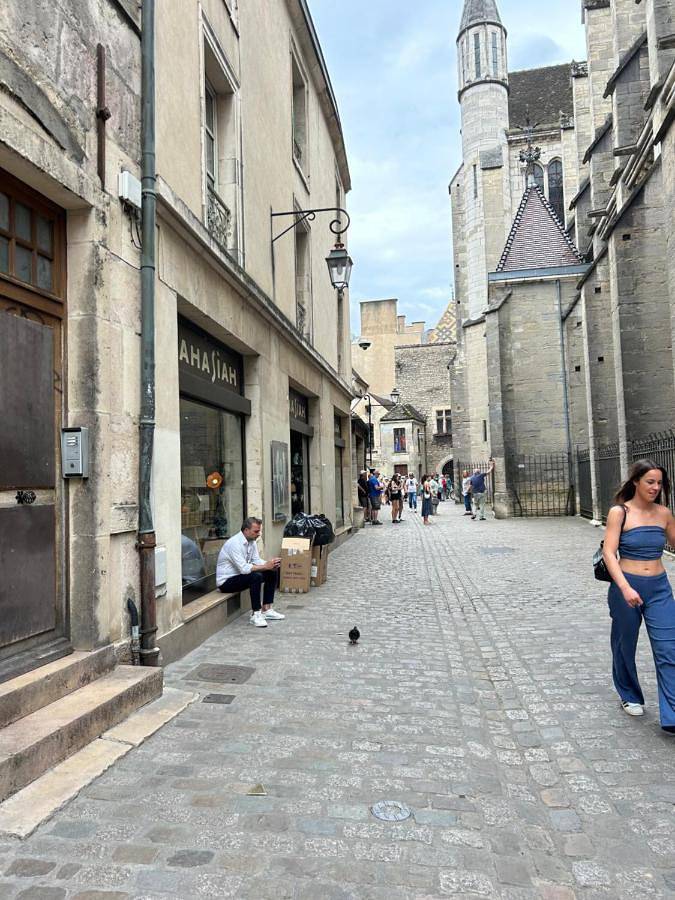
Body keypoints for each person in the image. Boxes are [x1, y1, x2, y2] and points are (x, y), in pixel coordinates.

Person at [603, 460, 675, 732]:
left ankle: (672, 714)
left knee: (669, 646)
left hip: (659, 588)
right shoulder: (619, 512)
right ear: (636, 482)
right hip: (627, 584)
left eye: (659, 483)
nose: (655, 487)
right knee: (624, 643)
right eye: (650, 482)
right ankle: (629, 695)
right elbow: (610, 553)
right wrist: (624, 588)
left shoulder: (664, 514)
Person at [216, 517, 284, 628]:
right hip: (226, 582)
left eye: (259, 531)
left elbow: (256, 561)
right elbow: (244, 568)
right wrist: (265, 566)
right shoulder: (234, 543)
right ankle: (256, 614)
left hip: (240, 577)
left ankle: (266, 609)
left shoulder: (251, 541)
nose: (259, 534)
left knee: (271, 572)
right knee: (255, 577)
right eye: (256, 531)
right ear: (246, 530)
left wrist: (270, 564)